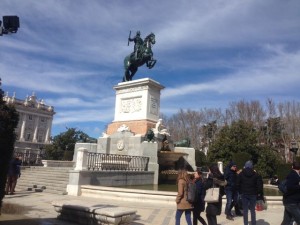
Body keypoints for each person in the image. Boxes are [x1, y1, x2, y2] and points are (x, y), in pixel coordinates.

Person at [237, 160, 263, 225]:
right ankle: (253, 223)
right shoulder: (255, 174)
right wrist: (258, 192)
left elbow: (237, 183)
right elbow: (259, 185)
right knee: (252, 210)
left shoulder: (241, 174)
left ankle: (245, 223)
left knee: (245, 210)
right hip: (253, 194)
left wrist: (240, 191)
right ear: (252, 166)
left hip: (244, 193)